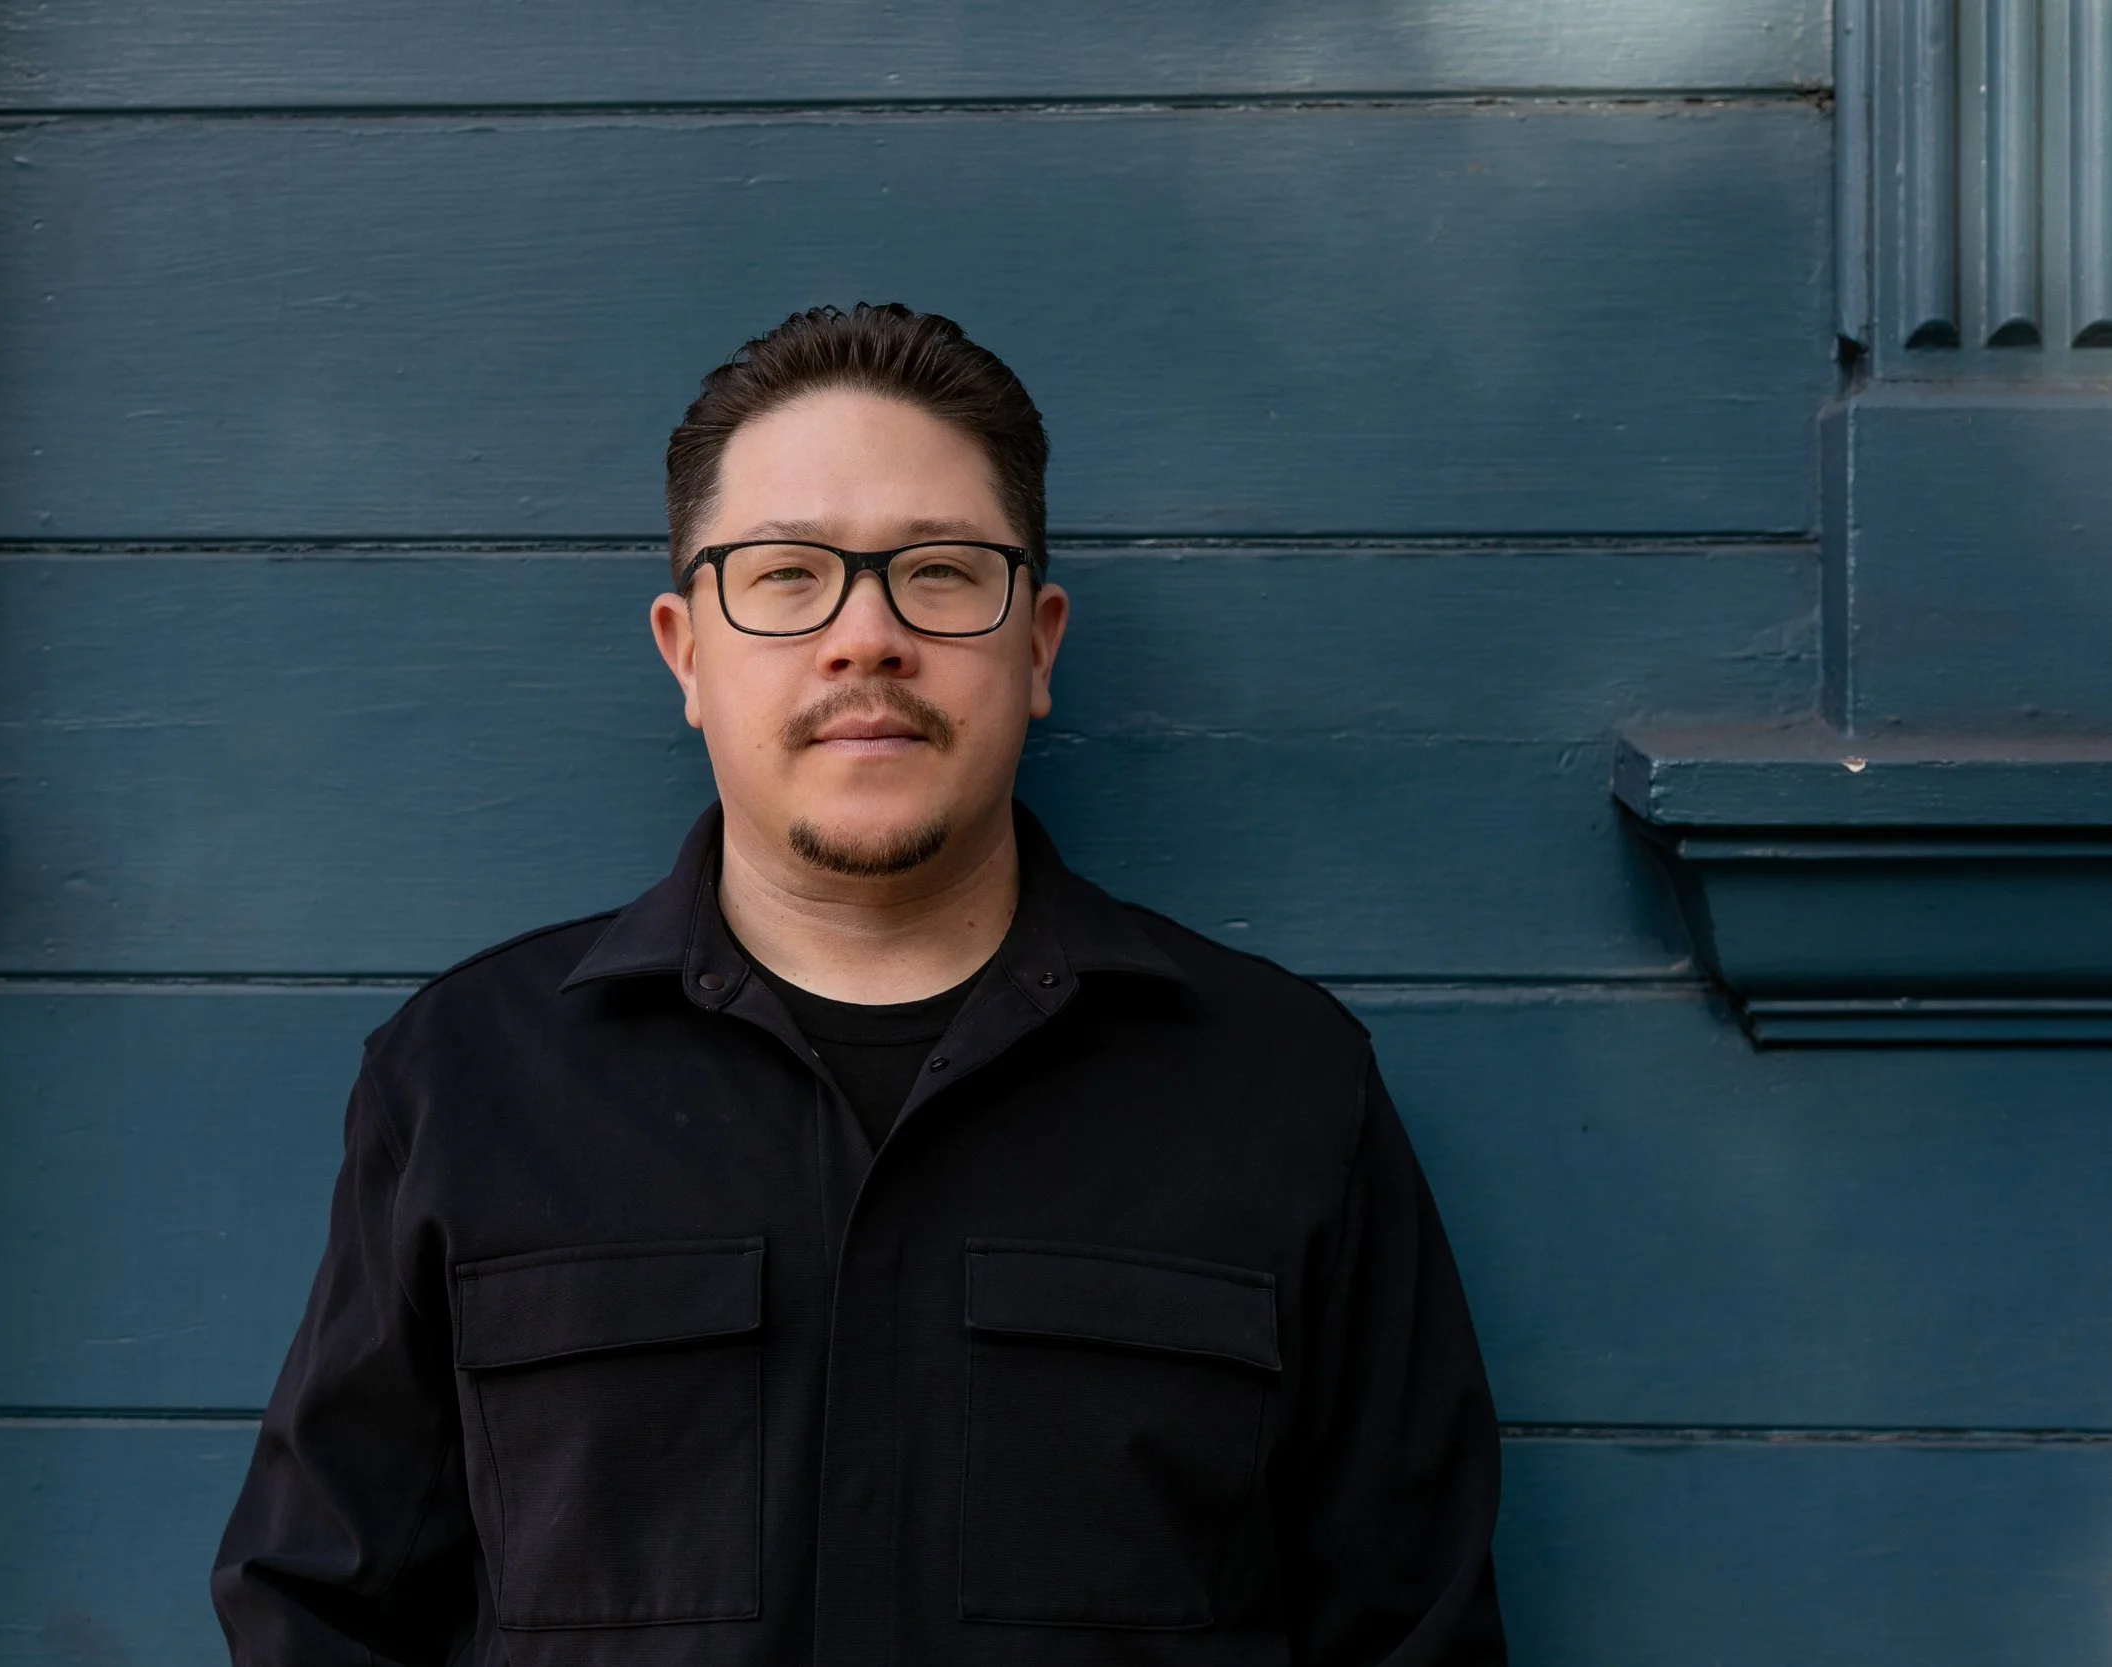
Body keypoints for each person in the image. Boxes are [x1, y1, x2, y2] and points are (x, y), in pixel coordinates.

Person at [211, 303, 1506, 1666]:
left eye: (940, 572)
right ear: (687, 651)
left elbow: (1413, 1632)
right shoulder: (467, 1079)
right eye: (785, 575)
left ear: (1040, 643)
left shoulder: (1282, 1087)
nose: (866, 635)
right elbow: (318, 1610)